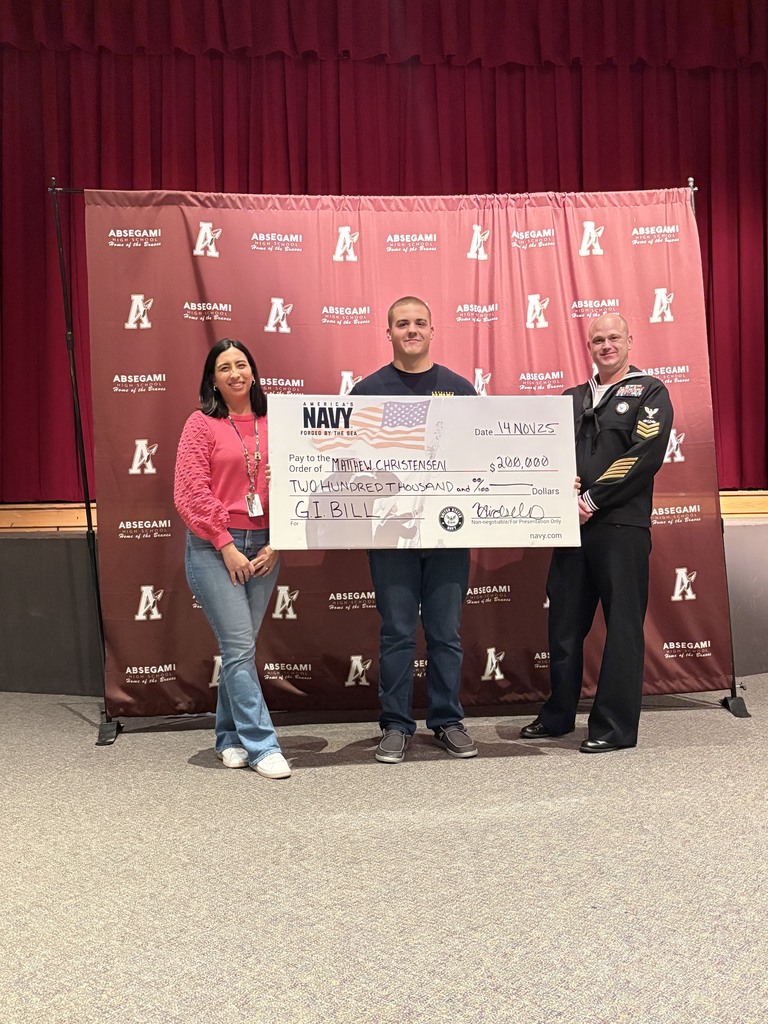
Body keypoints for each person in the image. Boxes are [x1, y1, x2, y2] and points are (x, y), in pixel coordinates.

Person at [520, 313, 673, 753]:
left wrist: (591, 499)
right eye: (598, 340)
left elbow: (645, 454)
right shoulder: (569, 398)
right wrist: (556, 486)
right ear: (589, 347)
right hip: (570, 527)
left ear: (630, 340)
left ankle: (613, 727)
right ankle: (558, 716)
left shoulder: (650, 391)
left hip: (620, 527)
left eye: (614, 338)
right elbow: (544, 456)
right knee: (563, 625)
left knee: (623, 627)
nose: (606, 345)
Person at [350, 296, 478, 764]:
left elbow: (479, 460)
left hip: (448, 534)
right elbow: (349, 464)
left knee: (445, 632)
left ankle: (447, 720)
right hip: (390, 535)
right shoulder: (366, 393)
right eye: (402, 324)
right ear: (389, 333)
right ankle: (396, 725)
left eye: (419, 322)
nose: (411, 330)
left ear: (431, 329)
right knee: (398, 631)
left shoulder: (460, 390)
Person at [174, 338, 291, 779]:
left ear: (254, 373)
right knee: (240, 647)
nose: (235, 373)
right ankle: (263, 746)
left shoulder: (274, 421)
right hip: (213, 546)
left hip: (265, 544)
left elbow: (299, 480)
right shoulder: (201, 423)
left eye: (241, 364)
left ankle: (227, 738)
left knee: (238, 648)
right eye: (224, 368)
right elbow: (190, 490)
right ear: (214, 380)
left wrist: (278, 541)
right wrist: (225, 544)